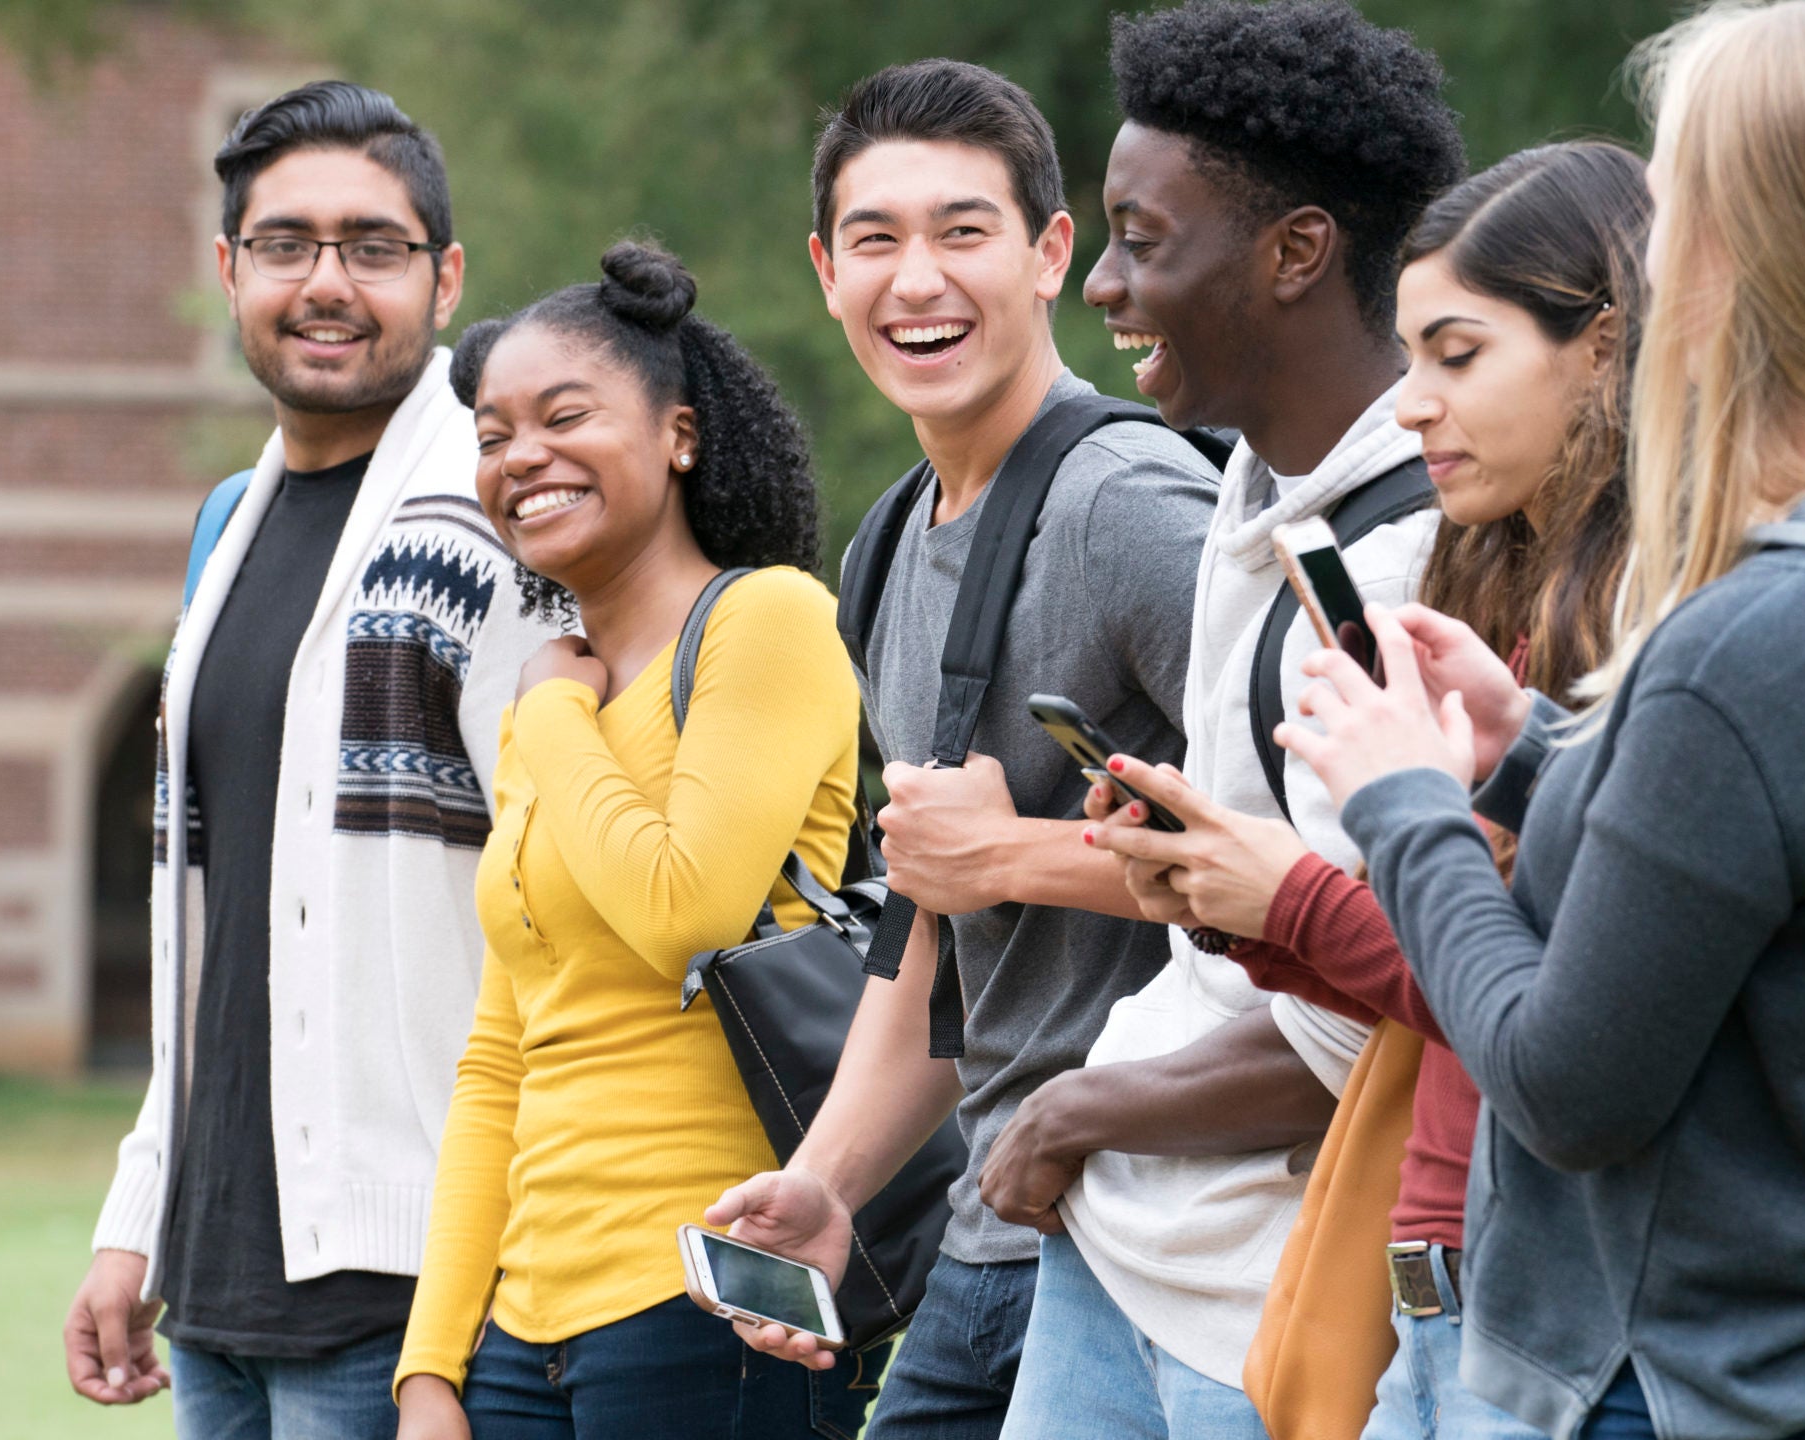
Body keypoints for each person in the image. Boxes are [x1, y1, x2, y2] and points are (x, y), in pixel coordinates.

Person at [1282, 1, 1805, 1435]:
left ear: (1719, 257)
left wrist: (1404, 806)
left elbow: (1567, 1086)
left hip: (1720, 1388)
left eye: (1674, 197)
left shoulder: (1757, 639)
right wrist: (1530, 748)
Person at [1087, 140, 1650, 1440]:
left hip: (1560, 1298)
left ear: (1607, 348)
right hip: (1452, 1266)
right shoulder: (1504, 593)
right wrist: (1238, 901)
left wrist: (1291, 900)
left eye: (1457, 356)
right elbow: (1456, 982)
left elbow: (1548, 1017)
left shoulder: (1662, 628)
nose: (1411, 406)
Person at [962, 5, 1467, 1436]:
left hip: (1274, 1307)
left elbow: (1375, 1020)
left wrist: (1071, 1113)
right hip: (1124, 1255)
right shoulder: (1252, 485)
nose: (1107, 287)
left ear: (1296, 252)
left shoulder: (1410, 559)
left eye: (1142, 238)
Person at [704, 59, 1220, 1438]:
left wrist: (1018, 853)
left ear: (1052, 253)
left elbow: (1331, 862)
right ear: (824, 272)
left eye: (963, 231)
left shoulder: (1132, 507)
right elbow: (929, 940)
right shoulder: (885, 547)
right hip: (988, 1227)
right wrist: (827, 1183)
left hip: (1162, 1243)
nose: (915, 278)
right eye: (875, 240)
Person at [65, 81, 561, 1439]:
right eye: (286, 245)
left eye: (373, 246)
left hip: (401, 1290)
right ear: (229, 272)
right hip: (217, 1285)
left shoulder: (502, 518)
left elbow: (563, 921)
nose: (325, 283)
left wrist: (456, 1325)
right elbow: (207, 927)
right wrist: (136, 1216)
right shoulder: (226, 528)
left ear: (445, 276)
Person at [388, 242, 872, 1440]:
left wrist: (552, 710)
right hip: (524, 1326)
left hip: (712, 1299)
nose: (521, 459)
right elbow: (500, 1055)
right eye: (493, 436)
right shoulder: (551, 707)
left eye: (565, 415)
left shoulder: (767, 619)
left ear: (679, 436)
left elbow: (684, 910)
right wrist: (431, 1366)